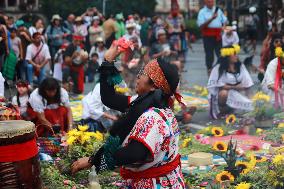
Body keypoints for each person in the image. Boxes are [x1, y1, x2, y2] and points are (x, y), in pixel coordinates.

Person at [71, 44, 186, 188]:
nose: (137, 78)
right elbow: (109, 98)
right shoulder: (143, 103)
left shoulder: (153, 117)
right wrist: (108, 62)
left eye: (143, 74)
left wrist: (93, 160)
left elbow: (133, 154)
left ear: (154, 86)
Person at [208, 45, 254, 119]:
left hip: (238, 93)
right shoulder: (218, 68)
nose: (236, 56)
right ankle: (222, 111)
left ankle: (234, 109)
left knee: (252, 105)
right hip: (223, 94)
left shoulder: (240, 66)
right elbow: (220, 86)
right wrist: (235, 87)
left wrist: (252, 99)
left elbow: (247, 83)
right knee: (224, 93)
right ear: (227, 56)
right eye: (234, 54)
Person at [197, 0, 227, 75]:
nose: (211, 3)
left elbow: (225, 20)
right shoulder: (202, 12)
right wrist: (211, 18)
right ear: (205, 2)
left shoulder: (218, 10)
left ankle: (218, 70)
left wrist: (223, 27)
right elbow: (201, 26)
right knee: (209, 55)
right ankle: (209, 70)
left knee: (221, 54)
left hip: (218, 35)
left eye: (212, 1)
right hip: (208, 36)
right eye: (209, 2)